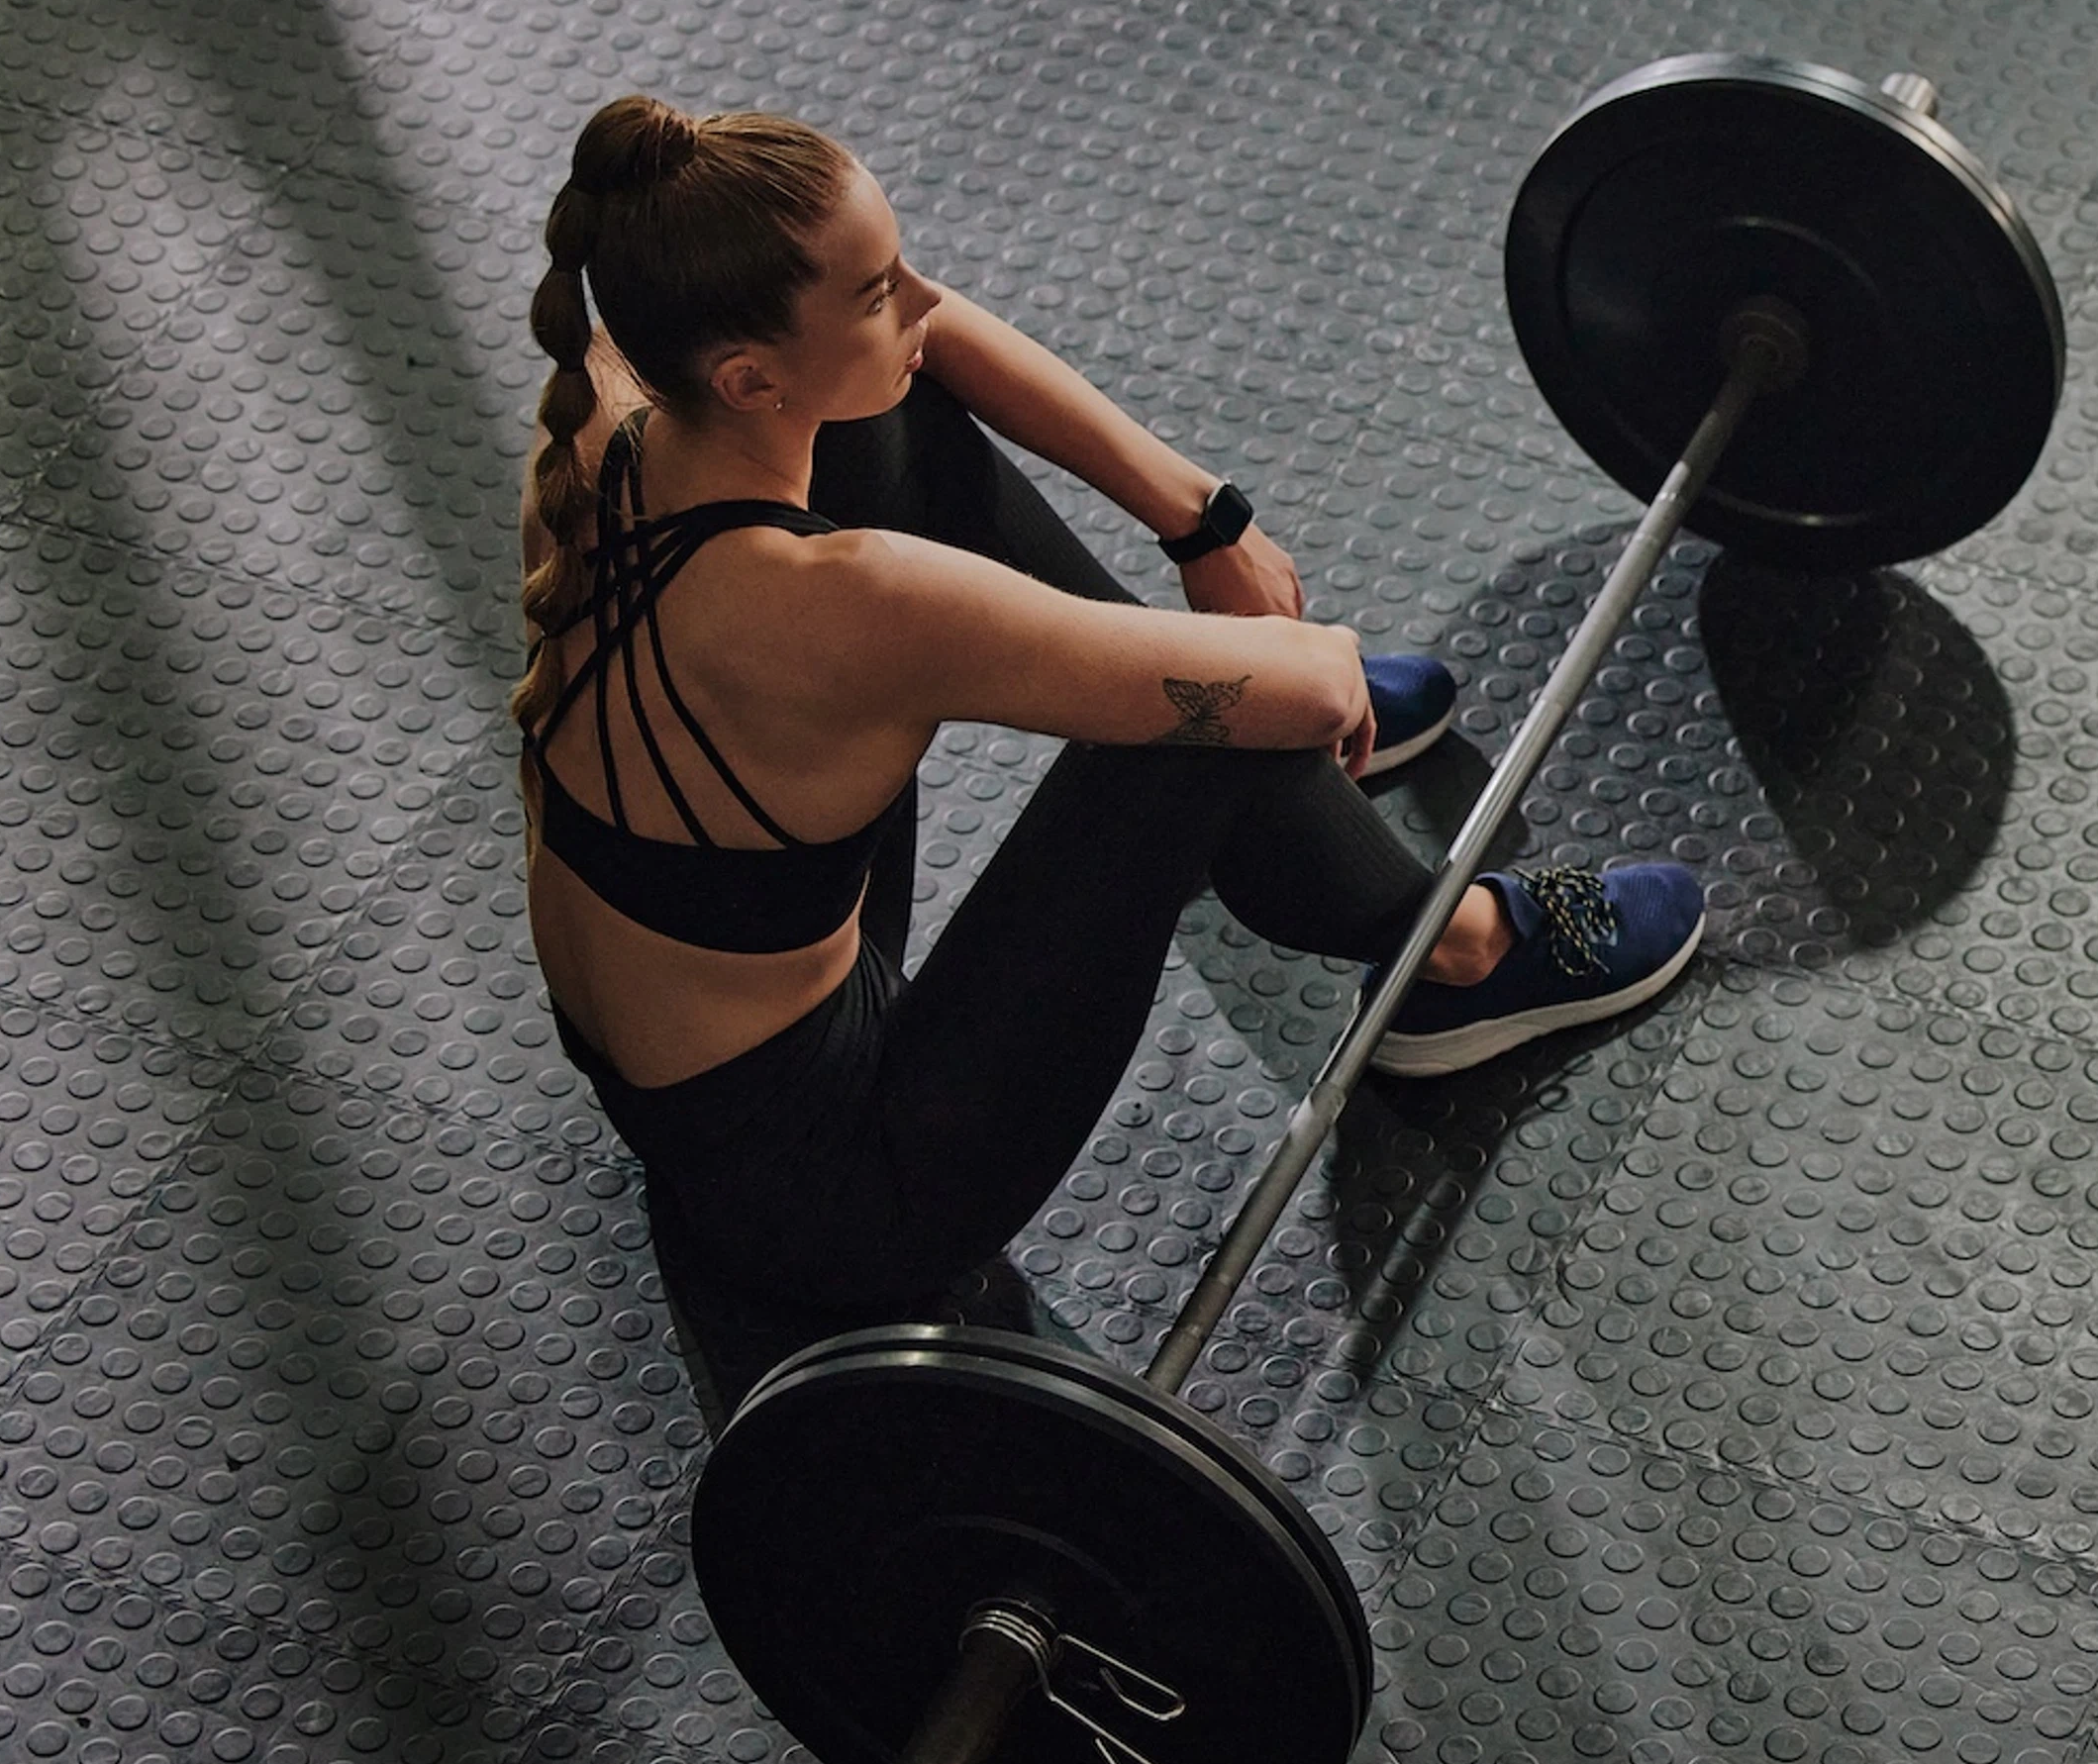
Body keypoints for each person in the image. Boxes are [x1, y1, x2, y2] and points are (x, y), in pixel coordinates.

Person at [514, 95, 1700, 1381]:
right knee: (1204, 736)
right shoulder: (844, 607)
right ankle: (1459, 955)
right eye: (877, 289)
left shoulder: (610, 406)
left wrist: (1200, 520)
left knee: (895, 421)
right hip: (843, 1194)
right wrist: (1282, 679)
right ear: (749, 371)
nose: (919, 296)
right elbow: (1294, 690)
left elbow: (934, 334)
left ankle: (1227, 741)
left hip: (687, 1064)